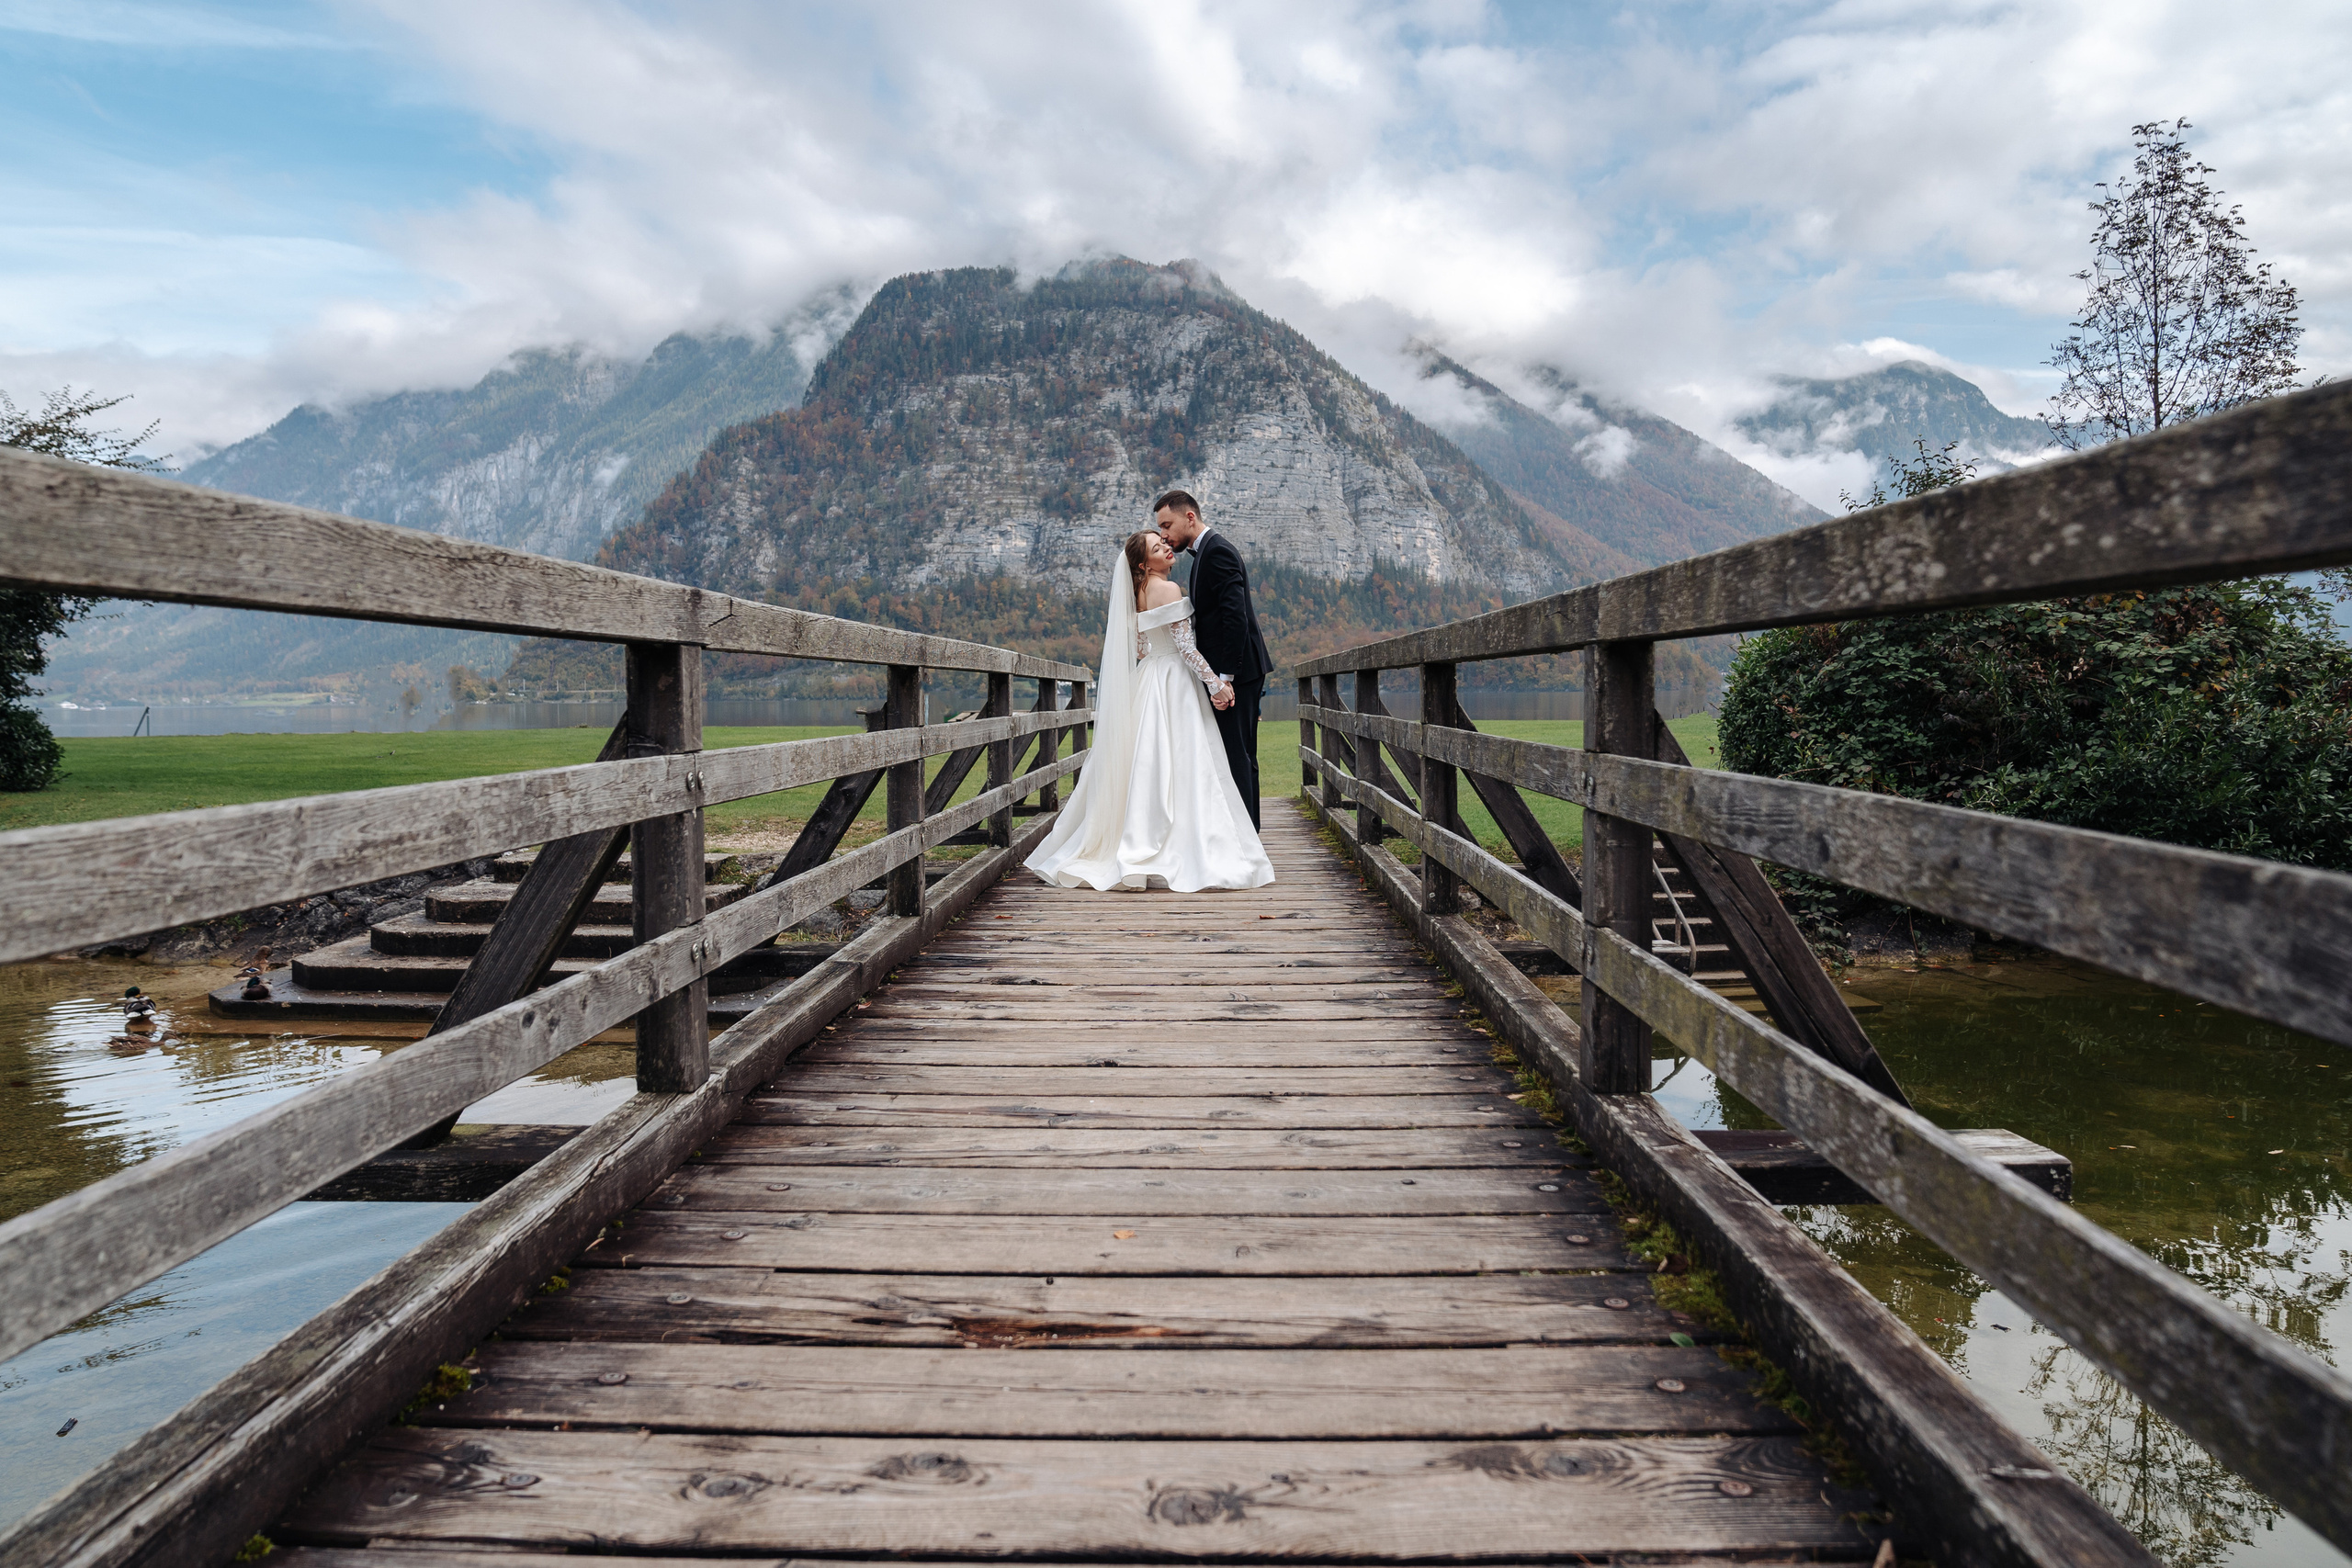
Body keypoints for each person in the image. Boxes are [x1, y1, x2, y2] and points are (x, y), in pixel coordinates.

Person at [1023, 529, 1275, 892]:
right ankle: (1186, 842)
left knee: (1147, 760)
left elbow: (1142, 647)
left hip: (1150, 678)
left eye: (1164, 543)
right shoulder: (1169, 590)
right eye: (1158, 549)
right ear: (1144, 563)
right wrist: (1216, 684)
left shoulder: (1137, 595)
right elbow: (1187, 650)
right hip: (1175, 680)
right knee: (1187, 761)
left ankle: (1138, 833)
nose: (1168, 549)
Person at [1154, 490, 1272, 829]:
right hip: (1232, 671)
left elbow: (1235, 619)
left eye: (1167, 524)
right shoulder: (1204, 552)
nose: (1164, 534)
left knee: (1238, 755)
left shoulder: (1217, 551)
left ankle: (1248, 835)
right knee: (1237, 753)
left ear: (1189, 517)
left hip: (1238, 672)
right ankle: (1245, 832)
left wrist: (1224, 679)